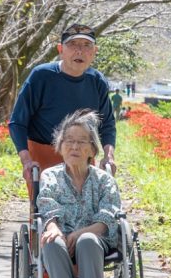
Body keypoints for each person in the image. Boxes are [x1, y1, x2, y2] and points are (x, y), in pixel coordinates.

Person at [8, 23, 117, 194]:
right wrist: (26, 160)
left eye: (86, 45)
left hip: (82, 155)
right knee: (45, 210)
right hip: (44, 152)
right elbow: (17, 122)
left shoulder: (97, 81)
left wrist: (108, 156)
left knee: (87, 208)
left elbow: (107, 123)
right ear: (60, 49)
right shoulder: (41, 76)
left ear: (94, 51)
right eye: (72, 44)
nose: (79, 51)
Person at [37, 109, 121, 278]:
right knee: (51, 241)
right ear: (60, 147)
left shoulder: (104, 180)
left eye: (82, 141)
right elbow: (47, 206)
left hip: (97, 240)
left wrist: (80, 234)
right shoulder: (50, 176)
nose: (74, 147)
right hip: (62, 237)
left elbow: (107, 219)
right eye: (69, 140)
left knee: (87, 240)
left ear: (92, 150)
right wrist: (53, 229)